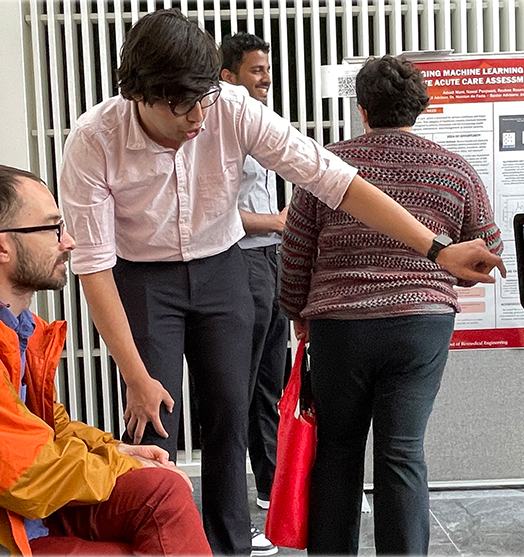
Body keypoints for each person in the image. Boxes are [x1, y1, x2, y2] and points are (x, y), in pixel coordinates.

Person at [58, 10, 504, 554]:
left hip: (221, 266)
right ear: (142, 95)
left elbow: (334, 180)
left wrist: (436, 248)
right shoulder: (93, 138)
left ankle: (228, 545)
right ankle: (161, 545)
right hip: (142, 277)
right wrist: (134, 374)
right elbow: (94, 266)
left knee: (231, 412)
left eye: (205, 99)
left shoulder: (232, 109)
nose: (198, 117)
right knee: (153, 418)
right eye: (182, 106)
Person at [0, 164, 211, 556]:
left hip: (12, 509)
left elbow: (46, 427)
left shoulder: (11, 324)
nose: (68, 242)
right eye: (52, 229)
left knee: (163, 490)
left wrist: (117, 451)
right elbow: (27, 474)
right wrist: (124, 467)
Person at [279, 55, 502, 555]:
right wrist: (445, 281)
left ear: (362, 109)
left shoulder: (328, 167)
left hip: (341, 326)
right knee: (402, 452)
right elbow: (488, 247)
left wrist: (297, 311)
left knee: (337, 450)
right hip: (420, 327)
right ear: (420, 108)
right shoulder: (453, 169)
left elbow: (295, 248)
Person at [219, 31, 285, 557]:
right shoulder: (220, 132)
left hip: (270, 259)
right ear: (228, 77)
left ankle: (273, 493)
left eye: (267, 69)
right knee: (238, 388)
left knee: (271, 383)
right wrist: (278, 221)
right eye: (256, 70)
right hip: (241, 259)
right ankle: (234, 518)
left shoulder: (260, 126)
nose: (266, 78)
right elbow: (218, 212)